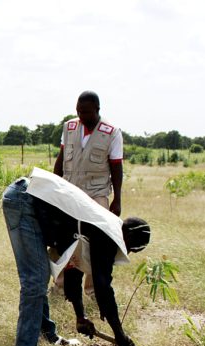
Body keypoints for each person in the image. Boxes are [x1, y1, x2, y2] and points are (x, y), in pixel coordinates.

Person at [2, 168, 150, 346]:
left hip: (27, 197)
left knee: (40, 276)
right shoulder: (106, 234)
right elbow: (103, 287)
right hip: (26, 201)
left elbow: (74, 269)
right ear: (127, 237)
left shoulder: (105, 227)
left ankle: (48, 335)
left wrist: (80, 317)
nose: (125, 251)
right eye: (129, 248)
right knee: (35, 281)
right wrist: (120, 336)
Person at [53, 91, 124, 296]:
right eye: (78, 111)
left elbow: (116, 167)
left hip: (96, 192)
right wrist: (54, 186)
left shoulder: (111, 132)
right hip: (69, 190)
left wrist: (117, 200)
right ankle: (61, 285)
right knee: (64, 238)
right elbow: (61, 157)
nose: (81, 115)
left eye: (85, 111)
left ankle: (93, 288)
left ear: (97, 109)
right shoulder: (70, 126)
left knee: (98, 239)